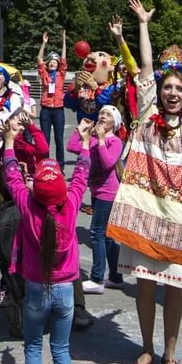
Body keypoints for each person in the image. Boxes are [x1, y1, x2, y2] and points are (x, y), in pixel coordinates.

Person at [106, 0, 182, 364]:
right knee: (145, 284)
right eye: (167, 88)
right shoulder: (149, 113)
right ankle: (147, 348)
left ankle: (170, 354)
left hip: (180, 218)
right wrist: (143, 25)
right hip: (146, 212)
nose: (171, 93)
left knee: (175, 288)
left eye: (177, 89)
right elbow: (147, 68)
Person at [3, 121, 91, 364]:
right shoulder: (72, 202)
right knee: (61, 350)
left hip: (36, 289)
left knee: (32, 347)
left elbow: (11, 175)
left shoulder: (27, 205)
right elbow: (82, 172)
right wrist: (84, 143)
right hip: (66, 290)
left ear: (34, 190)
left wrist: (9, 141)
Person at [68, 104, 123, 292]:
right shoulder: (91, 138)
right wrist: (80, 131)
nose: (102, 116)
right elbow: (72, 147)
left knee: (96, 233)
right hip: (96, 191)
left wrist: (100, 140)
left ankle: (97, 279)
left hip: (108, 192)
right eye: (101, 113)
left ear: (114, 122)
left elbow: (108, 163)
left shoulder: (115, 142)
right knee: (106, 237)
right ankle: (116, 277)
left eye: (107, 114)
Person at [36, 31, 70, 163]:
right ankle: (45, 163)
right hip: (45, 110)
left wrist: (64, 42)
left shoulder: (61, 74)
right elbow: (39, 60)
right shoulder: (45, 74)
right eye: (50, 62)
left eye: (55, 62)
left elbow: (64, 59)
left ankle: (60, 165)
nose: (52, 63)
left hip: (58, 110)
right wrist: (43, 44)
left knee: (59, 139)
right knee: (44, 140)